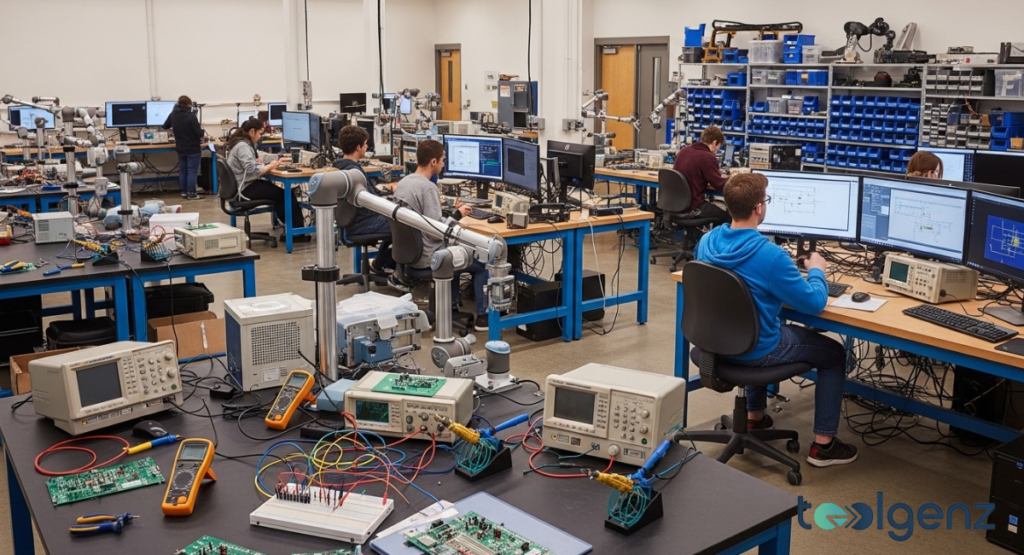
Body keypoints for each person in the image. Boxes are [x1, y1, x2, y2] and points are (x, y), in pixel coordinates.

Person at [695, 172, 858, 468]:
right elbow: (813, 303)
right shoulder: (771, 257)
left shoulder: (706, 241)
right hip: (757, 351)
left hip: (715, 343)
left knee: (764, 323)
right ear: (759, 208)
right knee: (834, 353)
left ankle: (755, 417)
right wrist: (817, 269)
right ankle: (824, 445)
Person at [393, 139, 489, 331]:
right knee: (481, 262)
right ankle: (484, 318)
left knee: (456, 249)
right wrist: (457, 215)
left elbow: (428, 221)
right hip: (429, 258)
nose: (445, 163)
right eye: (443, 159)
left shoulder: (404, 183)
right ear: (433, 162)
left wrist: (447, 216)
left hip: (410, 256)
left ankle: (451, 305)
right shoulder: (428, 188)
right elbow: (437, 234)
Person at [225, 118, 304, 236]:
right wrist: (270, 166)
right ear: (252, 131)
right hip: (244, 190)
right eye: (260, 134)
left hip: (239, 188)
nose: (260, 137)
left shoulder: (241, 143)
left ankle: (287, 225)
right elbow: (252, 170)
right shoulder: (243, 146)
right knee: (285, 194)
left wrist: (278, 158)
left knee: (275, 191)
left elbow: (257, 158)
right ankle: (296, 232)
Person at [332, 125, 394, 274]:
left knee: (396, 218)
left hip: (351, 223)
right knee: (405, 222)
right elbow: (371, 203)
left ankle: (378, 265)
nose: (367, 147)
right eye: (365, 144)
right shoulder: (354, 171)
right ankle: (397, 271)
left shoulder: (338, 167)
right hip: (363, 223)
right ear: (358, 147)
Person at [671, 126, 731, 223]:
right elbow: (719, 185)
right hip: (692, 208)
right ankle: (715, 238)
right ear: (715, 143)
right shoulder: (708, 157)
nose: (717, 151)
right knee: (728, 217)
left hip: (675, 205)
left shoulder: (685, 150)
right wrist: (736, 180)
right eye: (718, 147)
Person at [162, 95, 206, 200]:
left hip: (180, 147)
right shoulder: (191, 116)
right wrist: (204, 134)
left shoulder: (173, 114)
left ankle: (184, 192)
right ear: (189, 104)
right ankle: (191, 193)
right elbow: (198, 132)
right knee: (192, 171)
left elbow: (165, 126)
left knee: (183, 170)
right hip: (192, 148)